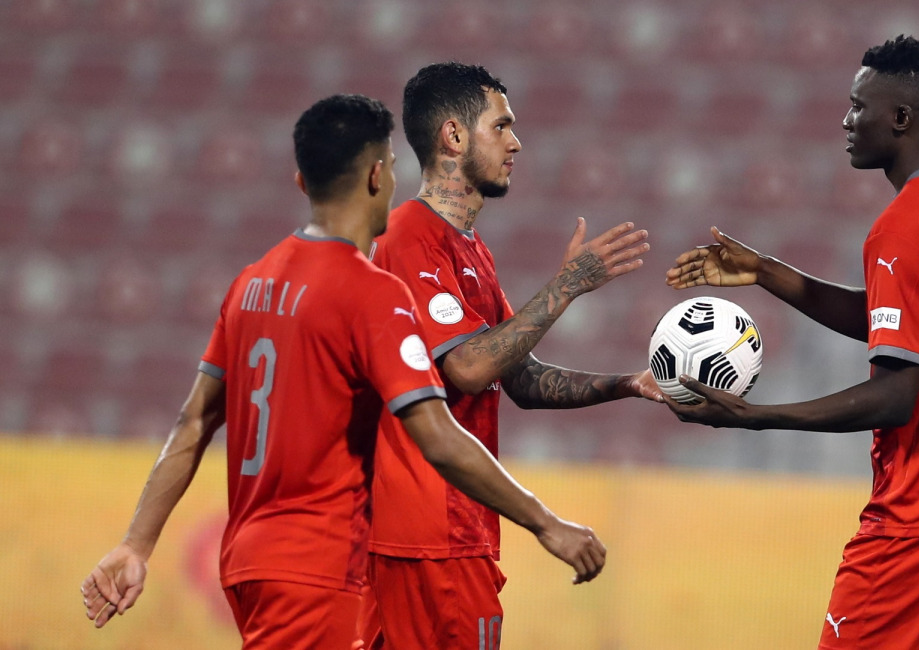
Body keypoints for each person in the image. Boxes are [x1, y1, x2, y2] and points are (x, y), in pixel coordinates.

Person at [80, 94, 606, 649]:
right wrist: (546, 522)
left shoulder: (251, 284)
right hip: (320, 564)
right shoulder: (370, 293)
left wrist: (136, 545)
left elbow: (191, 424)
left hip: (248, 559)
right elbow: (438, 435)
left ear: (302, 182)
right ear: (378, 176)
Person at [665, 36, 919, 649]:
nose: (846, 120)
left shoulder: (905, 227)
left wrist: (758, 417)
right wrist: (766, 272)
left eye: (857, 106)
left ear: (899, 118)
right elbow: (909, 319)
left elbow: (896, 396)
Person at [362, 62, 659, 649]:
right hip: (429, 539)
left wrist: (626, 383)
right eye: (502, 126)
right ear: (452, 136)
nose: (516, 142)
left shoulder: (469, 251)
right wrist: (568, 284)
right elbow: (468, 368)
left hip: (442, 537)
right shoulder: (408, 241)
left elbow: (517, 378)